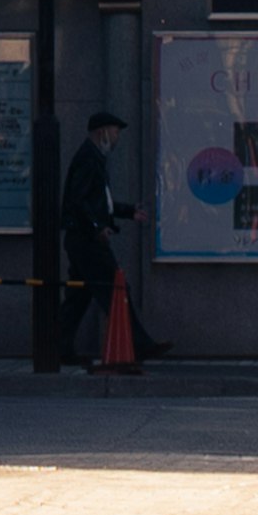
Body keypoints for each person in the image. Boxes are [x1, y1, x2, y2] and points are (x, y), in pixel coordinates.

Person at [62, 111, 167, 364]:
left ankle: (58, 347)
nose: (117, 137)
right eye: (115, 131)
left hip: (82, 239)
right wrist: (97, 227)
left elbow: (101, 203)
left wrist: (129, 211)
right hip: (88, 241)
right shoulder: (89, 158)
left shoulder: (95, 157)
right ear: (103, 132)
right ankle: (139, 345)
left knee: (79, 297)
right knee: (116, 287)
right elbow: (78, 200)